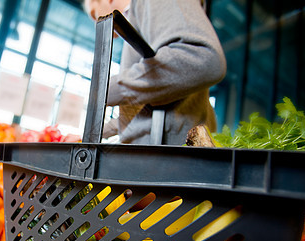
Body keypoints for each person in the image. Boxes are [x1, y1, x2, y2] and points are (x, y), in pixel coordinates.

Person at [83, 0, 226, 145]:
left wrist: (108, 89)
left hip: (168, 154)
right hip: (159, 151)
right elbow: (146, 105)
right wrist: (97, 132)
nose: (96, 23)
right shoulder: (138, 21)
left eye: (94, 14)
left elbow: (203, 57)